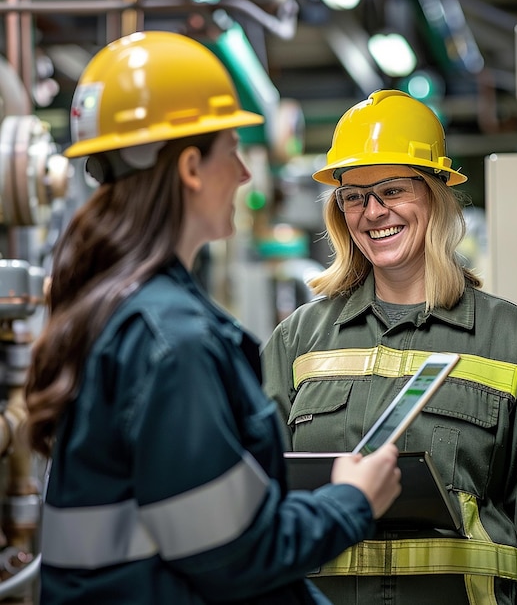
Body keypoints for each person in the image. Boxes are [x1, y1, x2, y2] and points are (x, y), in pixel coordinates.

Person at [24, 31, 402, 605]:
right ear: (193, 168)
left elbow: (199, 529)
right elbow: (235, 555)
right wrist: (351, 500)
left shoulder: (115, 308)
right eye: (233, 149)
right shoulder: (170, 341)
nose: (246, 174)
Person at [261, 89, 517, 604]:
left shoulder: (510, 337)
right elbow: (258, 507)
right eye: (353, 196)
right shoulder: (298, 340)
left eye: (392, 190)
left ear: (435, 195)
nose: (373, 212)